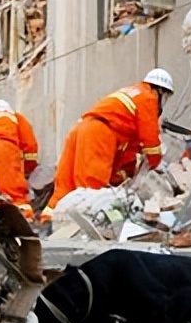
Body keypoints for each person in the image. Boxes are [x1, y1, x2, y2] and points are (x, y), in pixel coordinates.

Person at [40, 68, 174, 223]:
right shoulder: (148, 97)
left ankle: (48, 220)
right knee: (92, 189)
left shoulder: (131, 94)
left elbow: (129, 148)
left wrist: (125, 174)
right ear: (161, 91)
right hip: (100, 134)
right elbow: (150, 139)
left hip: (81, 128)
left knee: (66, 183)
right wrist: (155, 162)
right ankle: (85, 228)